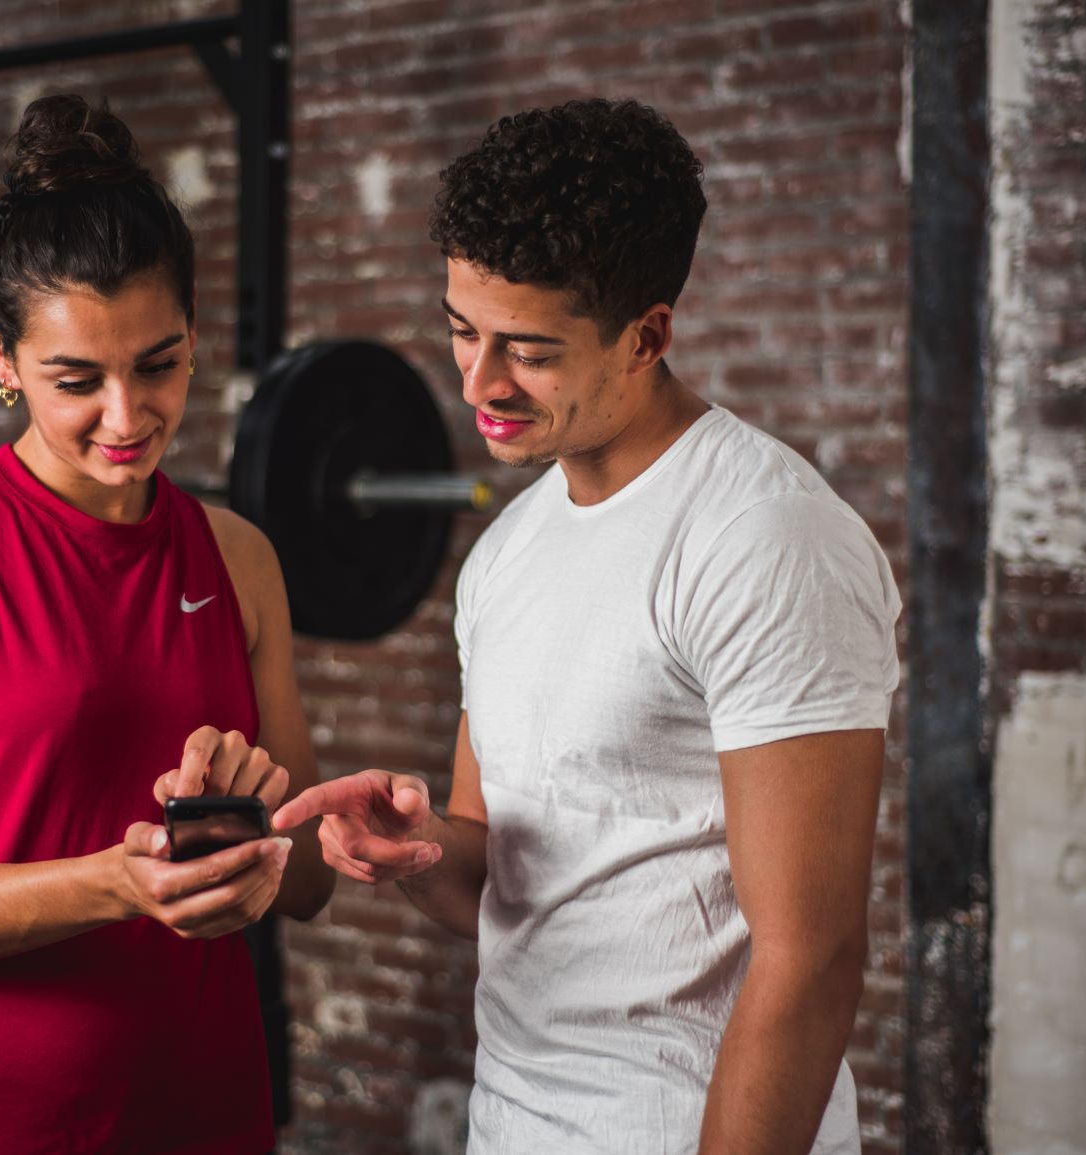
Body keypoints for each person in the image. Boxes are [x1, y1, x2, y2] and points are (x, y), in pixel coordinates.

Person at [274, 99, 901, 1154]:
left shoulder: (763, 538)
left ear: (645, 335)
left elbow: (814, 954)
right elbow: (498, 883)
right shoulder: (505, 556)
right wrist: (413, 848)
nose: (477, 384)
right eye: (461, 332)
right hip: (510, 1125)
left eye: (526, 351)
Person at [0, 94, 333, 1154]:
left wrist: (268, 833)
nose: (126, 415)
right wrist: (119, 883)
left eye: (159, 362)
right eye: (74, 379)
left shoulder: (239, 559)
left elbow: (306, 881)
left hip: (198, 1107)